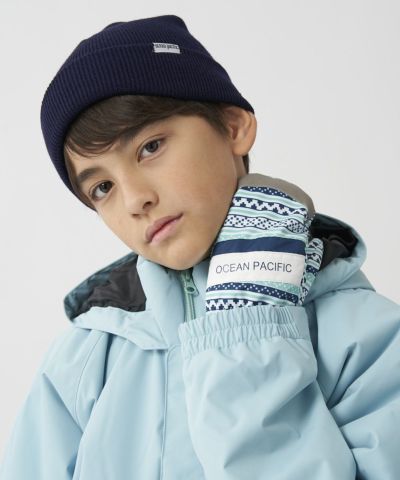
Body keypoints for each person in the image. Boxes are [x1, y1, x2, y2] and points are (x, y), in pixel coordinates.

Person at [1, 14, 399, 480]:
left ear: (233, 127)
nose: (134, 199)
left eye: (150, 147)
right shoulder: (82, 360)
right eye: (102, 188)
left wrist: (247, 330)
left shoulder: (368, 340)